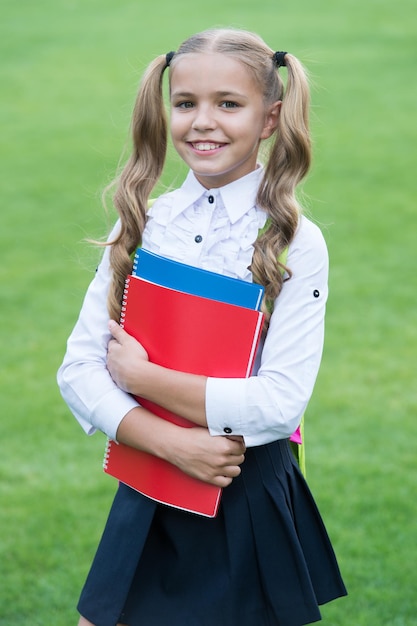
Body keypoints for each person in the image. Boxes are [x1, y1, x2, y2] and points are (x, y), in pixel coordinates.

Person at [57, 27, 347, 626]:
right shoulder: (144, 222)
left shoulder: (294, 241)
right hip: (149, 484)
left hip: (246, 495)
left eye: (229, 105)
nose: (202, 122)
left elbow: (280, 402)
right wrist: (169, 442)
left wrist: (145, 378)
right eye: (186, 103)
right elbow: (80, 370)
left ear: (269, 119)